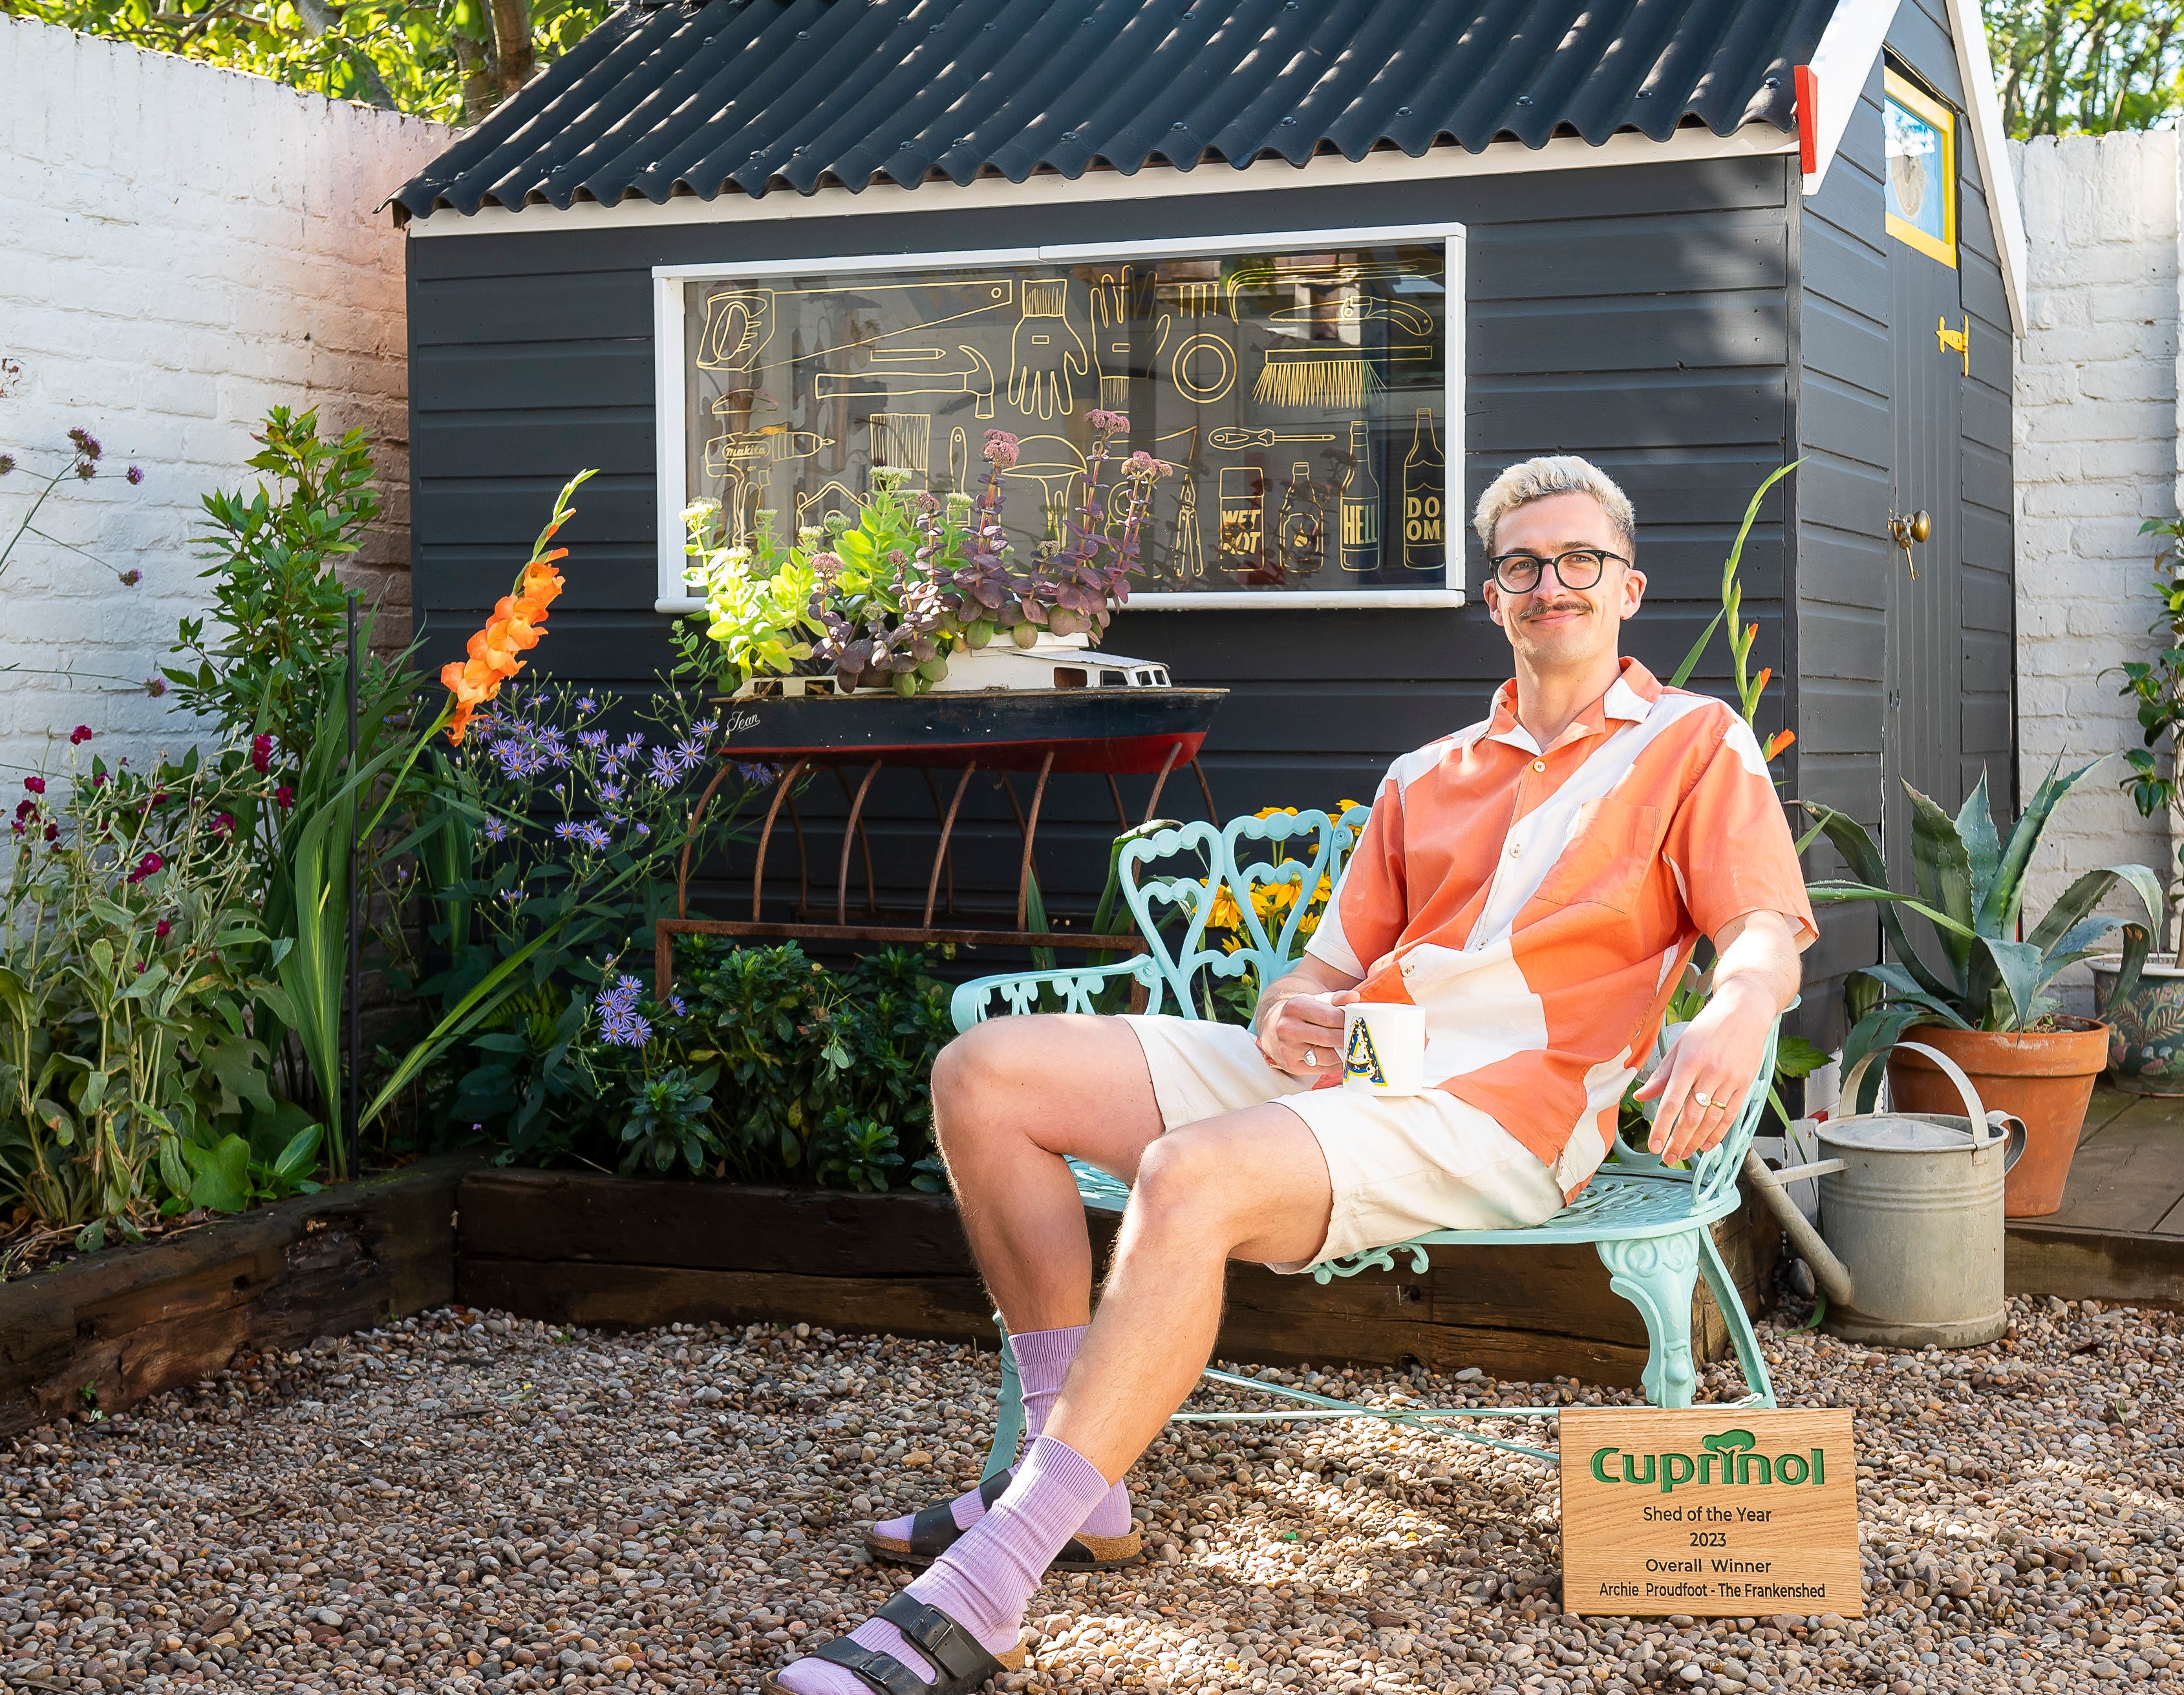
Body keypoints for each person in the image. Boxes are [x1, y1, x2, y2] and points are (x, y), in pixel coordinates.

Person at [769, 455, 1817, 1695]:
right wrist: (1290, 1020)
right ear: (1495, 600)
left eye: (1580, 560)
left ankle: (992, 1585)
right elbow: (1313, 975)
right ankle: (1075, 1475)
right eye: (1525, 565)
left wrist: (1741, 1010)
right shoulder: (1425, 775)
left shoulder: (1694, 743)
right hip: (1358, 1080)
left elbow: (1761, 927)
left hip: (1508, 1113)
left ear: (1627, 586)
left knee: (1189, 1176)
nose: (1553, 584)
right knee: (985, 1073)